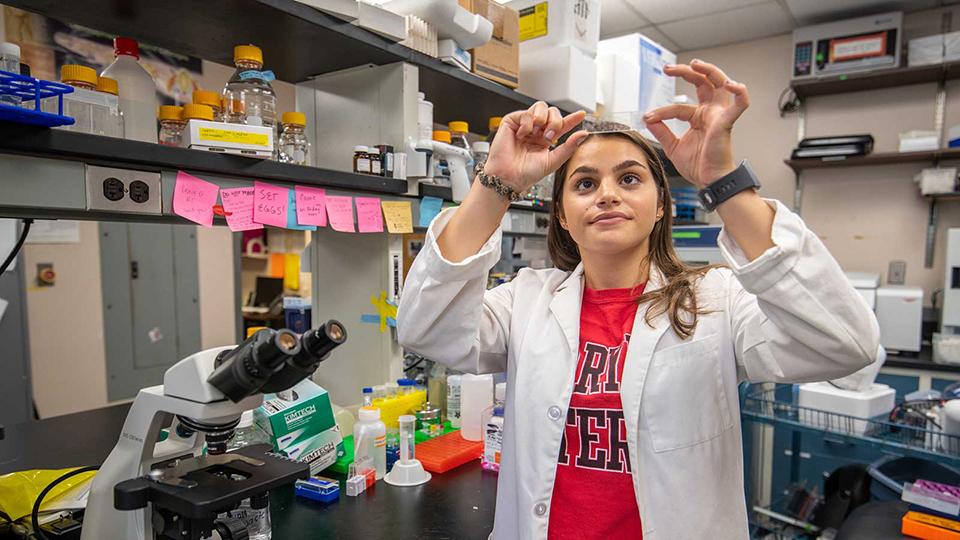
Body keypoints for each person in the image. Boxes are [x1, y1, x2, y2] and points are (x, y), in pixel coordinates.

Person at [397, 59, 879, 539]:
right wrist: (495, 183)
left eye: (629, 179)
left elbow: (846, 344)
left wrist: (721, 181)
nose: (607, 194)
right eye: (585, 184)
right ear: (563, 215)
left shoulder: (716, 301)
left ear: (661, 204)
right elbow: (424, 328)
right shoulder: (526, 301)